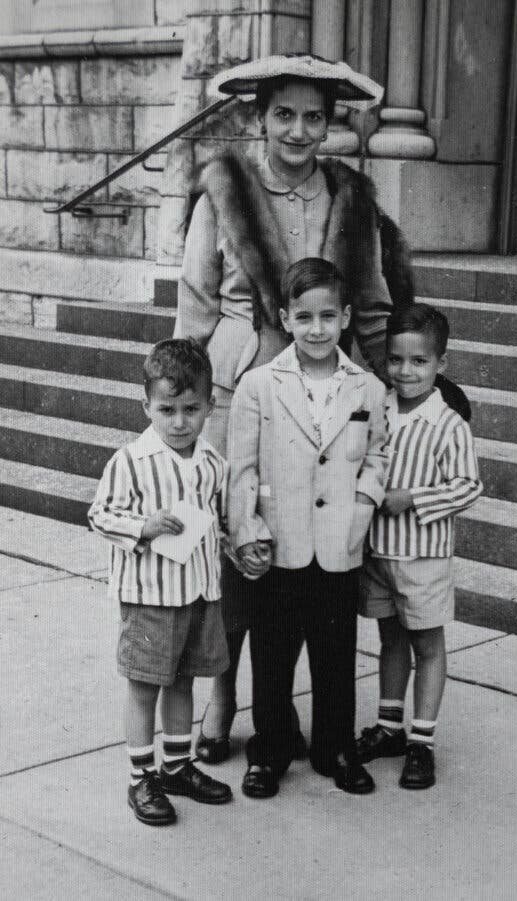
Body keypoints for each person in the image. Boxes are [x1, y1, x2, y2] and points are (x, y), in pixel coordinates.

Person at [174, 54, 418, 764]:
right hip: (239, 383)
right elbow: (195, 303)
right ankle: (223, 700)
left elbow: (371, 305)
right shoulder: (224, 191)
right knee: (236, 549)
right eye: (284, 114)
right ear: (259, 118)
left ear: (330, 124)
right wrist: (187, 406)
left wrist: (393, 398)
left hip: (324, 396)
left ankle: (310, 719)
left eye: (315, 116)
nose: (299, 130)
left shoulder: (350, 198)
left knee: (308, 552)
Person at [227, 257, 387, 798]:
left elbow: (376, 456)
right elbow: (242, 468)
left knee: (335, 654)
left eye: (327, 317)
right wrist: (247, 530)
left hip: (339, 545)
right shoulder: (258, 385)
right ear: (284, 317)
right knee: (272, 654)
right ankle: (269, 750)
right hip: (279, 543)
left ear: (344, 317)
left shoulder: (365, 387)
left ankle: (334, 748)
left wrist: (362, 507)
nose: (316, 329)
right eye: (303, 318)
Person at [88, 338, 233, 826]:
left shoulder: (213, 463)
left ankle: (175, 765)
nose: (179, 421)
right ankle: (140, 777)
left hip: (197, 592)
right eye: (167, 409)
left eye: (191, 409)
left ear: (210, 405)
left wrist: (241, 544)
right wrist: (143, 527)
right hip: (150, 597)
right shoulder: (131, 460)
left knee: (183, 680)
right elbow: (100, 515)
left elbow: (219, 520)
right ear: (145, 404)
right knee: (146, 685)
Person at [355, 304, 483, 789]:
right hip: (378, 553)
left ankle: (421, 740)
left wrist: (414, 499)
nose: (406, 372)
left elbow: (468, 486)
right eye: (396, 360)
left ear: (439, 365)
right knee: (390, 640)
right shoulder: (379, 406)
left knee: (427, 645)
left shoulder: (448, 423)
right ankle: (390, 727)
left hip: (423, 557)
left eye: (419, 362)